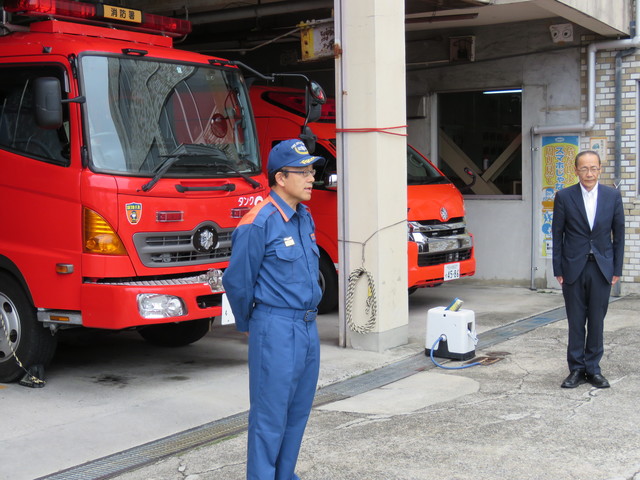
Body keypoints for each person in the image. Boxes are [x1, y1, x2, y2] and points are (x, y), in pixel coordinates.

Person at [222, 138, 324, 480]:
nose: (311, 178)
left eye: (312, 171)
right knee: (269, 418)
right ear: (281, 178)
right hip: (276, 327)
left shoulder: (303, 217)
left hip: (307, 327)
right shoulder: (259, 222)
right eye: (303, 172)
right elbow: (238, 281)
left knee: (297, 413)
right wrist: (251, 324)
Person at [552, 150, 625, 389]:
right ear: (576, 170)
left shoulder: (612, 196)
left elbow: (619, 235)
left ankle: (593, 369)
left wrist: (617, 268)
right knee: (575, 321)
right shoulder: (564, 196)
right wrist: (558, 268)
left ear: (600, 169)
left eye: (593, 168)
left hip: (602, 268)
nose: (589, 173)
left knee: (596, 321)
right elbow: (557, 234)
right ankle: (576, 369)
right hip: (573, 267)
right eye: (584, 168)